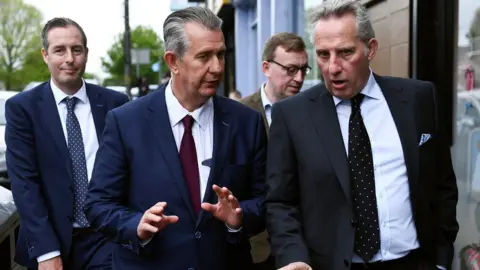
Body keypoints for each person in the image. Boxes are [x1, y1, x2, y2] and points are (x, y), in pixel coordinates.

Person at [264, 1, 459, 270]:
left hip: (413, 262)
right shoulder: (292, 115)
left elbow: (442, 185)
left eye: (345, 52)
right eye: (323, 54)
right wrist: (293, 257)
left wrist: (441, 260)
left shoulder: (418, 99)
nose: (333, 67)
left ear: (371, 49)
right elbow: (280, 202)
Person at [84, 6, 267, 270]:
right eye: (204, 56)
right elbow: (98, 204)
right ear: (173, 62)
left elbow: (266, 201)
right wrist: (135, 224)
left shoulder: (246, 122)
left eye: (220, 55)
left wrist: (237, 218)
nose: (216, 67)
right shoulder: (125, 122)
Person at [5, 17, 129, 270]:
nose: (69, 59)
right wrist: (46, 251)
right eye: (59, 50)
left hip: (106, 239)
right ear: (45, 55)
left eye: (76, 49)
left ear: (86, 53)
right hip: (50, 241)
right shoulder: (22, 109)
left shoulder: (116, 104)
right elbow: (24, 183)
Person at [240, 32, 308, 270]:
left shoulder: (312, 113)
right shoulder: (240, 116)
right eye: (291, 70)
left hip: (303, 246)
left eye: (304, 69)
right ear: (266, 67)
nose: (299, 78)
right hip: (255, 247)